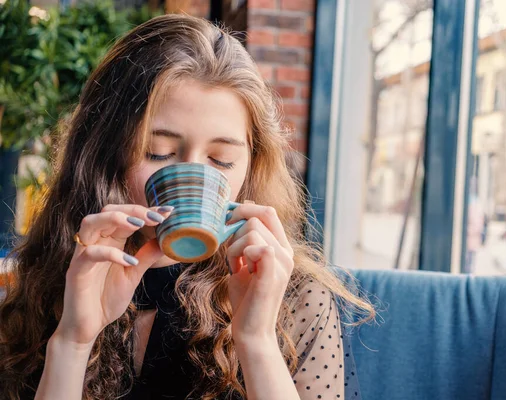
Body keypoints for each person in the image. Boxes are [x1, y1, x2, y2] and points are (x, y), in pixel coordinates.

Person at [0, 16, 375, 400]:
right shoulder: (51, 280)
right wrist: (72, 342)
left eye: (222, 159)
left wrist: (257, 340)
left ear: (251, 165)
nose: (193, 178)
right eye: (157, 152)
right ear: (103, 154)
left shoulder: (297, 299)